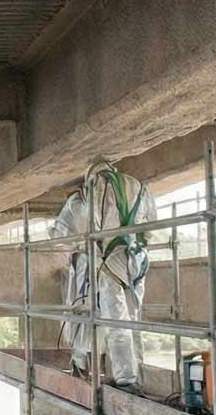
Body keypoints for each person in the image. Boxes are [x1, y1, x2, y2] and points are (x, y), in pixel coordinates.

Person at [48, 160, 155, 390]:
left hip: (109, 265)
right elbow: (150, 229)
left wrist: (75, 244)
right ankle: (138, 374)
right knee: (133, 319)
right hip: (137, 262)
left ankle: (125, 379)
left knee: (112, 322)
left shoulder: (85, 196)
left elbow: (60, 236)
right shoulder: (138, 187)